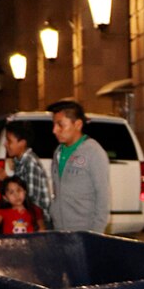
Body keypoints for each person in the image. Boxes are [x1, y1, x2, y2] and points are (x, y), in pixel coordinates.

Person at [47, 100, 110, 233]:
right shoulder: (58, 152)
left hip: (84, 232)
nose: (54, 130)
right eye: (53, 125)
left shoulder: (93, 152)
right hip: (60, 230)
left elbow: (103, 197)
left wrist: (96, 233)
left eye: (60, 125)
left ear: (78, 124)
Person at [4, 121, 51, 225]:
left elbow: (31, 199)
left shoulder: (30, 163)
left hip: (36, 222)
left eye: (9, 141)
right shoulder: (19, 161)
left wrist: (5, 179)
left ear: (22, 143)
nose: (5, 144)